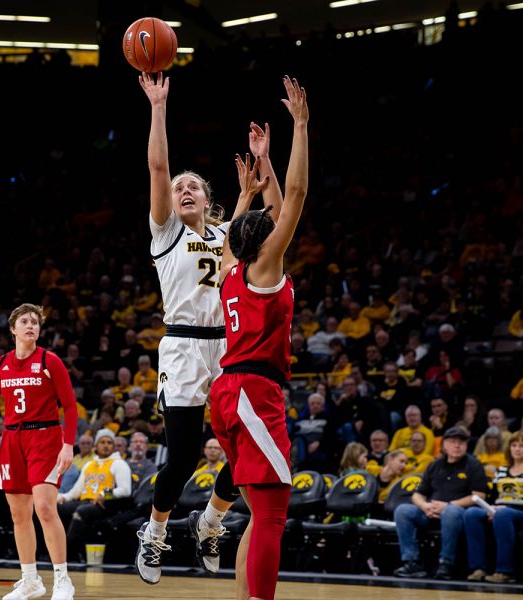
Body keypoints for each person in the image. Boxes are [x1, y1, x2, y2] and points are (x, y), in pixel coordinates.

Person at [135, 70, 263, 583]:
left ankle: (211, 521)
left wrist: (260, 172)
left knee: (244, 451)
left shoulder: (229, 232)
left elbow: (270, 210)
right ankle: (156, 531)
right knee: (185, 455)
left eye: (193, 186)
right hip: (185, 347)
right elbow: (158, 163)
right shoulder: (165, 231)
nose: (183, 188)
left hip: (229, 349)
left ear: (209, 201)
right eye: (178, 186)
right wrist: (158, 106)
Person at [209, 74, 309, 600]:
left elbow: (259, 214)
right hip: (253, 391)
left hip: (226, 394)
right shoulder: (265, 269)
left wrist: (255, 178)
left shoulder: (231, 268)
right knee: (271, 514)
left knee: (255, 511)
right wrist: (300, 124)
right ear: (265, 242)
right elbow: (295, 195)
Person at [0, 303, 77, 600]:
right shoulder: (0, 366)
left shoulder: (50, 361)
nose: (31, 326)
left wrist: (68, 444)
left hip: (46, 438)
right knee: (18, 513)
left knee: (45, 507)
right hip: (12, 442)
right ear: (12, 329)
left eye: (35, 323)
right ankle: (30, 580)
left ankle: (63, 579)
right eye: (25, 322)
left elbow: (70, 405)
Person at [393, 426, 488, 580]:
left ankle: (446, 563)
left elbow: (479, 495)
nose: (457, 445)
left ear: (466, 445)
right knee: (402, 510)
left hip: (458, 514)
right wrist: (424, 506)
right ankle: (412, 562)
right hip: (430, 512)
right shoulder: (435, 465)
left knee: (451, 511)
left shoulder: (473, 465)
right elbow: (417, 495)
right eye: (452, 442)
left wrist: (449, 505)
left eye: (461, 442)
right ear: (444, 445)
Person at [463, 431, 523, 583]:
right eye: (514, 445)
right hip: (499, 510)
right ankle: (478, 568)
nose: (517, 449)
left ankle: (505, 570)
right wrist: (491, 509)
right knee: (471, 513)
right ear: (509, 448)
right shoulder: (502, 471)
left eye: (522, 446)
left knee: (504, 514)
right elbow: (493, 497)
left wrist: (503, 509)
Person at [57, 429, 132, 562]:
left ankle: (66, 554)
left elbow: (125, 490)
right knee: (57, 508)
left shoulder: (119, 464)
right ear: (96, 445)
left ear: (113, 446)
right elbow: (77, 490)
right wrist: (63, 497)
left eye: (109, 442)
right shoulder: (89, 465)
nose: (106, 445)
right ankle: (49, 551)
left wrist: (104, 494)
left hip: (105, 505)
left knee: (82, 511)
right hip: (85, 501)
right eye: (102, 442)